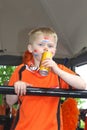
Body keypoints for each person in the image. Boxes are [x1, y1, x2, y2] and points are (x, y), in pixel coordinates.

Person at [6, 27, 86, 130]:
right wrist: (17, 86)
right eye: (41, 45)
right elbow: (9, 101)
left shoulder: (59, 70)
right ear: (30, 48)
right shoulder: (21, 70)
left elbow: (82, 85)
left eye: (50, 46)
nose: (46, 48)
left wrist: (57, 71)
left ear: (54, 51)